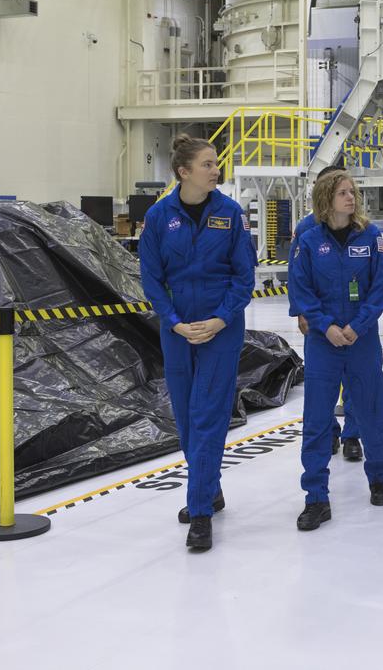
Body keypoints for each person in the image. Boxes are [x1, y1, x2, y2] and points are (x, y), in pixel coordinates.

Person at [139, 134, 256, 552]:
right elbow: (151, 276)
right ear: (184, 173)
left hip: (220, 331)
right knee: (187, 419)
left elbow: (244, 277)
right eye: (208, 164)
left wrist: (220, 318)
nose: (216, 170)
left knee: (208, 415)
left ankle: (200, 512)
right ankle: (210, 487)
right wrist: (172, 322)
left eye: (216, 163)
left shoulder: (230, 214)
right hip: (178, 331)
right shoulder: (158, 217)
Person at [290, 172, 383, 531]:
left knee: (371, 412)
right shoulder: (308, 240)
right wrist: (326, 326)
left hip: (361, 341)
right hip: (323, 344)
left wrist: (357, 325)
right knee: (318, 421)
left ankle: (378, 476)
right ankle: (316, 497)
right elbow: (301, 291)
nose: (351, 198)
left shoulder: (371, 237)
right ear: (326, 198)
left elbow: (380, 287)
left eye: (353, 192)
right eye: (343, 193)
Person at [289, 166, 363, 464]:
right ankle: (329, 431)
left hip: (353, 320)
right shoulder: (307, 228)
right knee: (321, 385)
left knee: (355, 381)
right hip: (320, 320)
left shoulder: (361, 229)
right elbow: (296, 275)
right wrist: (301, 312)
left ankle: (352, 435)